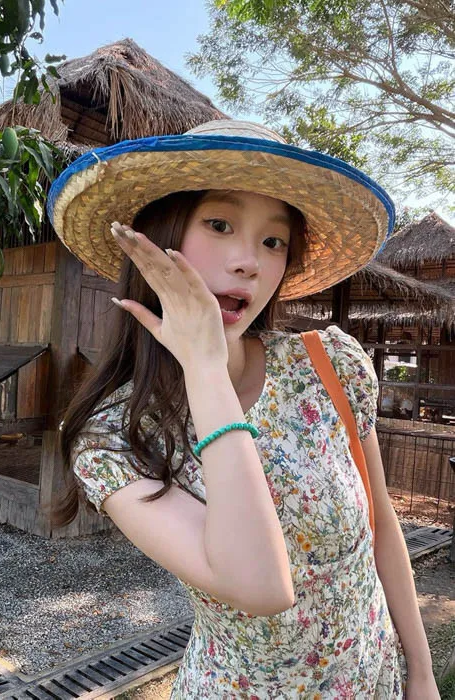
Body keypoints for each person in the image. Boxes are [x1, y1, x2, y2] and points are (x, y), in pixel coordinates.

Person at [48, 121, 439, 699]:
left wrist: (422, 673)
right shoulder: (112, 438)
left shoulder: (329, 366)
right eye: (220, 224)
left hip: (374, 679)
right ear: (155, 239)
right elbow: (261, 588)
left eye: (273, 241)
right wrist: (205, 369)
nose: (249, 261)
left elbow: (381, 530)